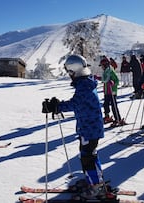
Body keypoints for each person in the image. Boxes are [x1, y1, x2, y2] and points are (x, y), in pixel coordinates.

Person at [42, 54, 111, 200]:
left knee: (88, 157)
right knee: (88, 154)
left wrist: (56, 106)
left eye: (70, 72)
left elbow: (75, 103)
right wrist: (58, 105)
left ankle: (95, 187)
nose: (69, 75)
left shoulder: (84, 86)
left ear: (75, 71)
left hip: (89, 128)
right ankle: (93, 180)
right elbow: (78, 102)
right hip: (89, 127)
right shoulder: (85, 83)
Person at [96, 57, 126, 127]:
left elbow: (117, 80)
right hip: (107, 91)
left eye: (102, 66)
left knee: (113, 105)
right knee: (105, 104)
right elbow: (104, 79)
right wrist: (97, 77)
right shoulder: (106, 71)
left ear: (105, 65)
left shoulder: (111, 71)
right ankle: (107, 116)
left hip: (112, 91)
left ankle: (118, 119)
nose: (102, 67)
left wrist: (113, 82)